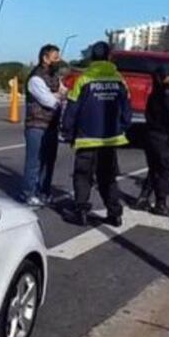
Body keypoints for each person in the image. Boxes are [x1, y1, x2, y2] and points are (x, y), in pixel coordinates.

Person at [60, 41, 132, 227]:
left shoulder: (84, 79)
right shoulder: (119, 80)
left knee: (83, 176)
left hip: (87, 139)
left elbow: (72, 108)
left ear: (92, 57)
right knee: (108, 178)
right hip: (110, 140)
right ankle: (115, 214)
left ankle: (81, 211)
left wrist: (67, 131)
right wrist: (122, 127)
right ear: (109, 58)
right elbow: (127, 109)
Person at [135, 64, 169, 217]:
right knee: (166, 171)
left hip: (150, 136)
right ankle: (161, 203)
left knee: (153, 169)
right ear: (161, 79)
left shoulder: (153, 95)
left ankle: (143, 198)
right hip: (164, 138)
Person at [22, 44, 66, 206]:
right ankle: (28, 193)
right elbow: (50, 101)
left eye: (58, 57)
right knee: (34, 162)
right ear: (45, 58)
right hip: (36, 125)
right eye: (55, 57)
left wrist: (59, 95)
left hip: (52, 125)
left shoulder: (55, 76)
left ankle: (44, 191)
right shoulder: (36, 78)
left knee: (49, 161)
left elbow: (64, 93)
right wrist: (57, 96)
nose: (58, 60)